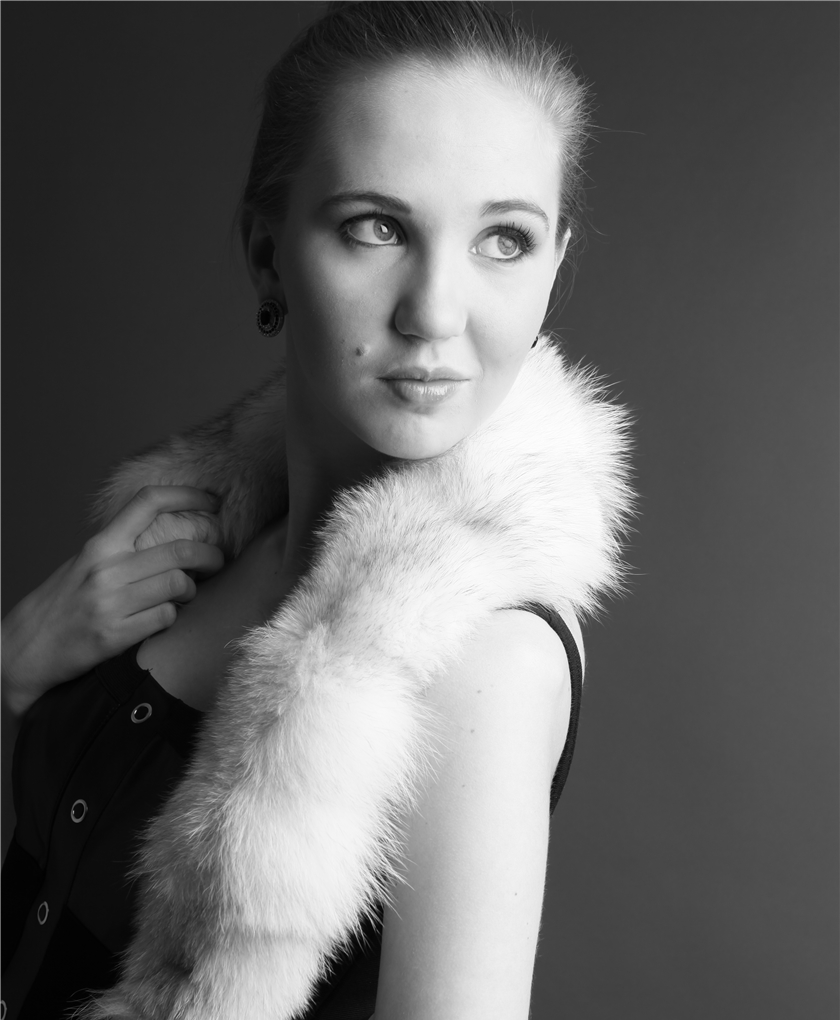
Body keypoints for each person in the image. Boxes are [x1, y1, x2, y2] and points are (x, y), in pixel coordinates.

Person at [1, 3, 633, 1018]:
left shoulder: (485, 658)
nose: (435, 311)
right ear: (269, 256)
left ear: (553, 267)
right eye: (376, 227)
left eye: (504, 240)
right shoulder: (199, 532)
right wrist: (16, 668)